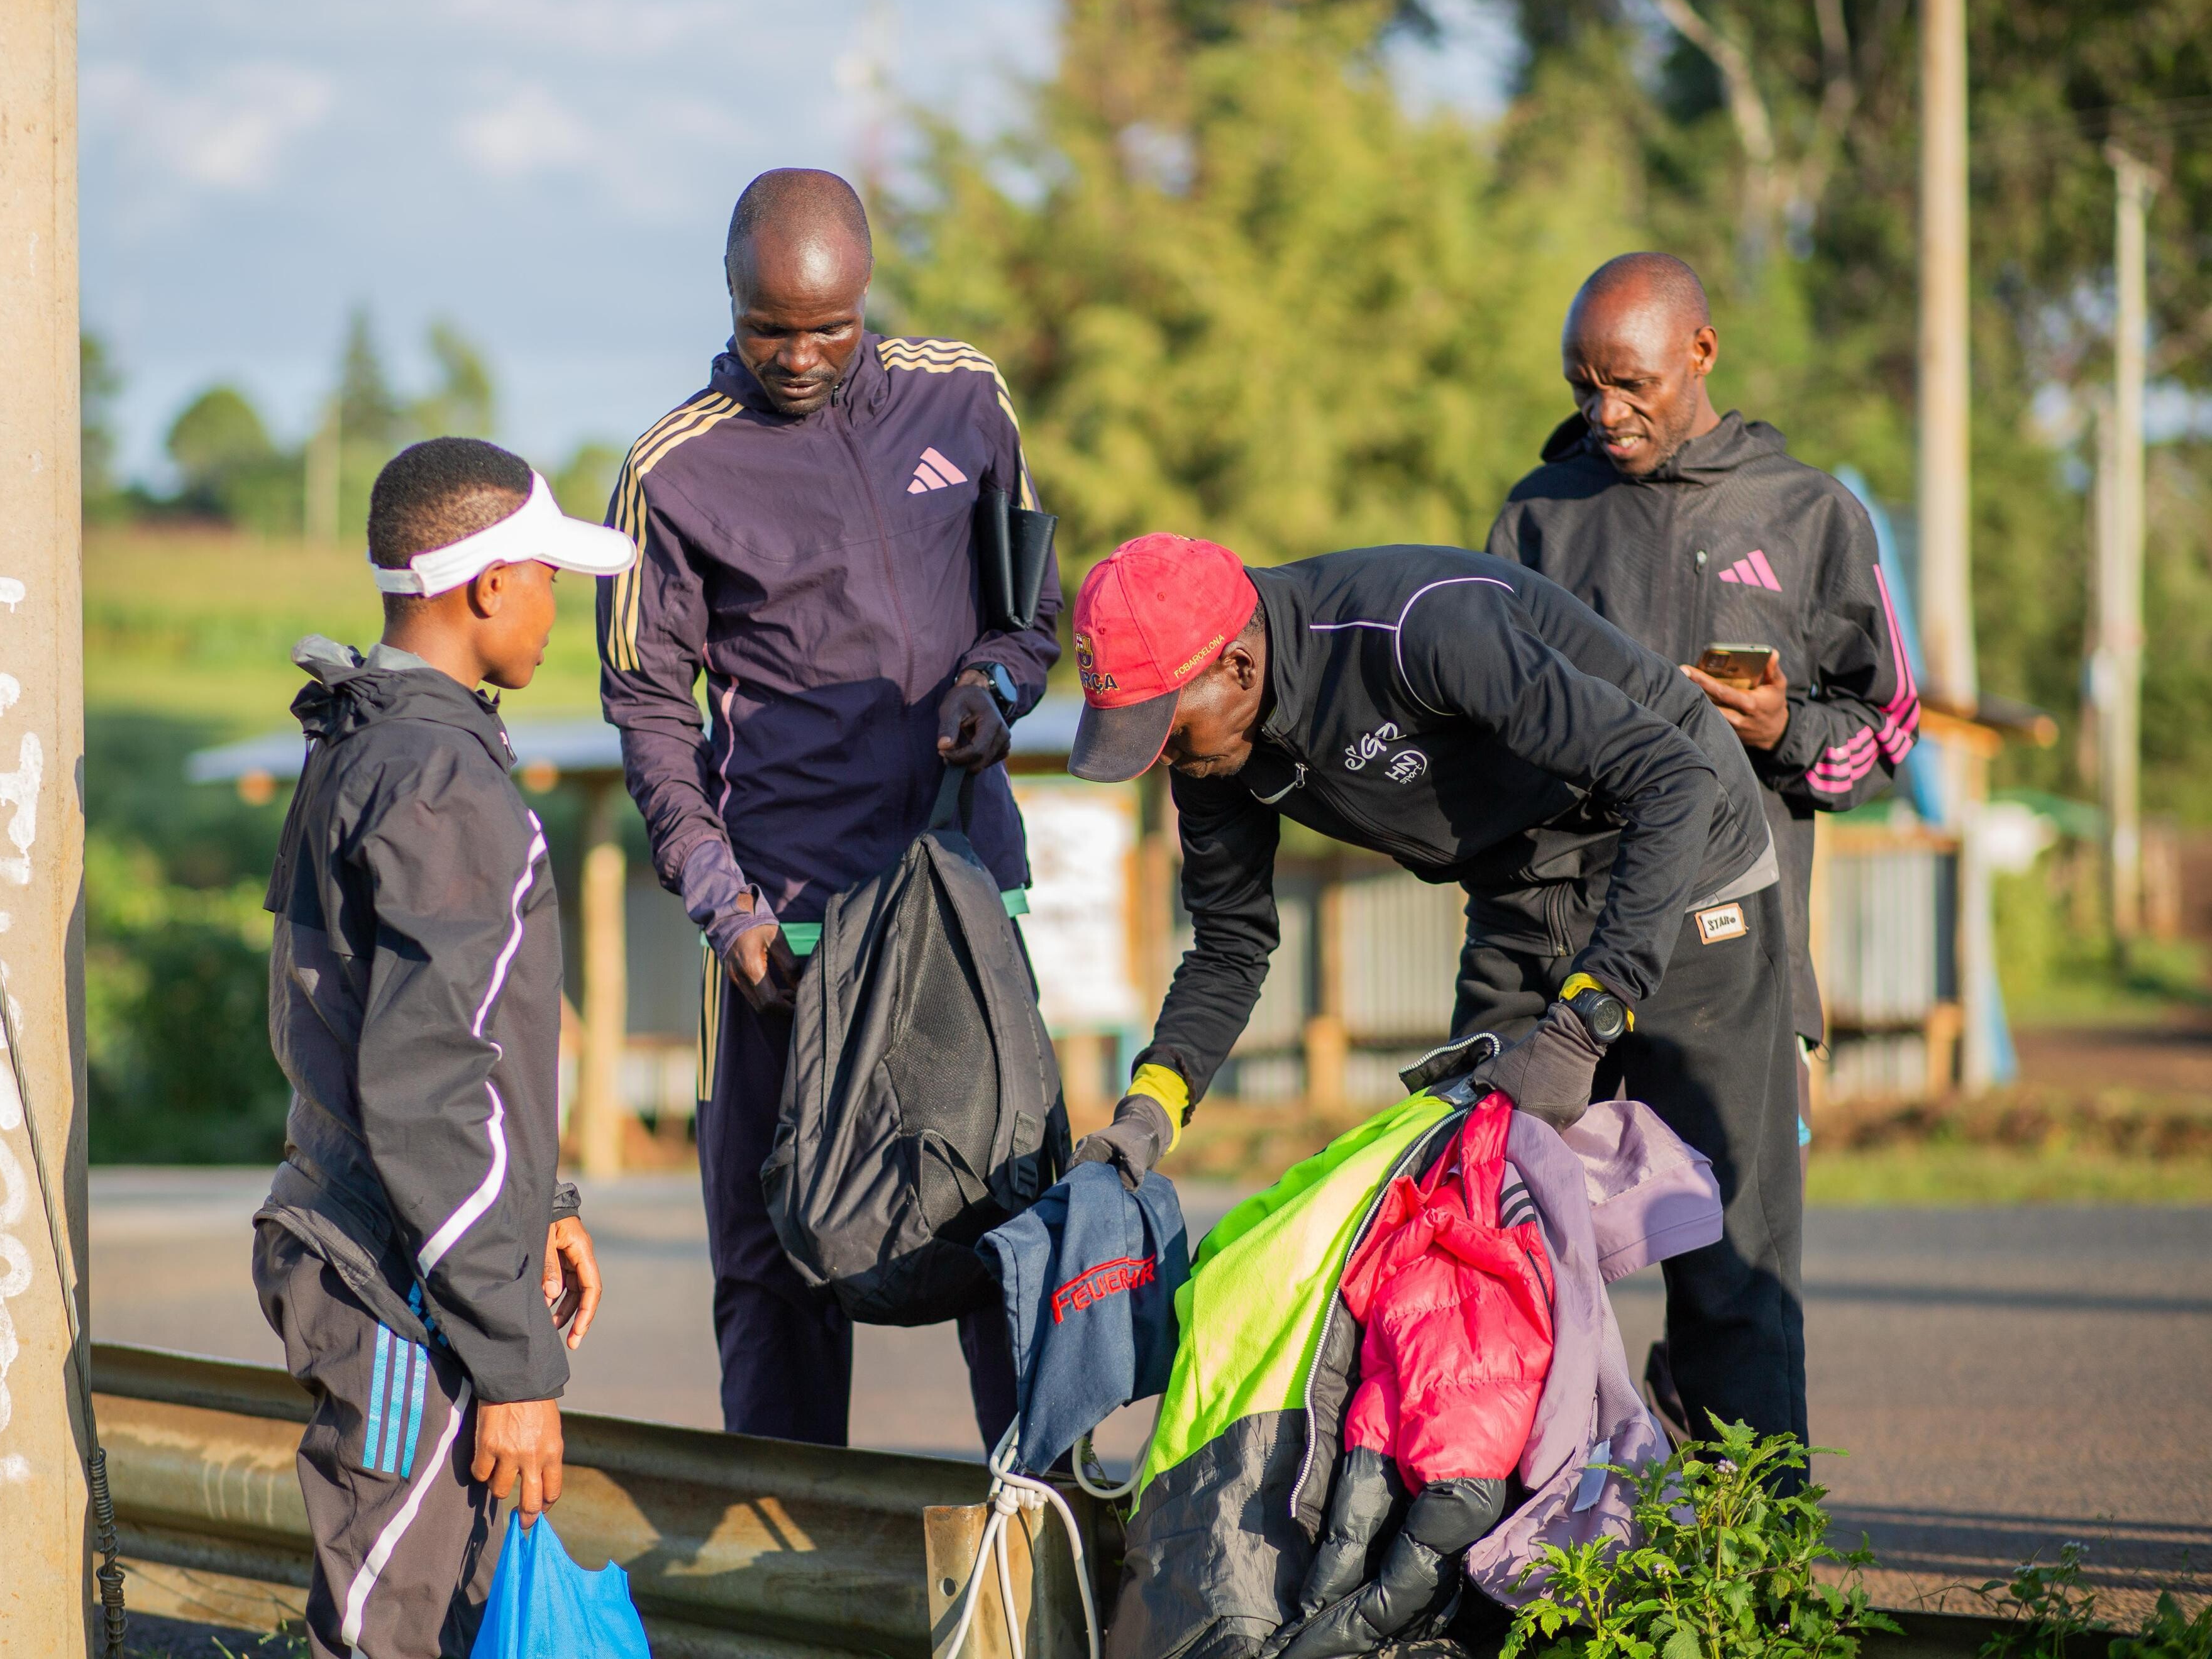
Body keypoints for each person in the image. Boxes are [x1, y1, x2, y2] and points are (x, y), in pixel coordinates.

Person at [1063, 532, 1810, 1455]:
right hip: (1518, 899)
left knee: (1721, 1254)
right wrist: (1150, 1108)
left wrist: (1588, 1019)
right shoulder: (1216, 756)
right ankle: (1525, 1539)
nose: (1160, 757)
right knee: (1464, 1249)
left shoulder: (1421, 627)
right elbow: (1231, 946)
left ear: (1238, 666)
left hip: (1684, 860)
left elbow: (1673, 778)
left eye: (1165, 729)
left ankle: (1763, 1545)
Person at [597, 168, 1061, 1448]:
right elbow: (649, 717)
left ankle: (1036, 1514)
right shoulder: (671, 471)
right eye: (769, 330)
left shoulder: (965, 398)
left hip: (961, 901)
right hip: (787, 924)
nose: (799, 357)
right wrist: (727, 908)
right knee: (771, 1255)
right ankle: (787, 1535)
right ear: (729, 298)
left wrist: (994, 686)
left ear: (866, 299)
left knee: (1014, 1219)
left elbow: (1031, 608)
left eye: (829, 329)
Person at [254, 437, 624, 1658]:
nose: (558, 610)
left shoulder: (363, 737)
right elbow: (426, 1089)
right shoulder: (440, 783)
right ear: (489, 585)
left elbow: (444, 1033)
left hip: (386, 1247)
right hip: (399, 1285)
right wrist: (515, 1362)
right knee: (395, 1635)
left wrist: (543, 1200)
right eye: (551, 580)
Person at [1486, 253, 1916, 1178]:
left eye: (1631, 385)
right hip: (1560, 969)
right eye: (1584, 387)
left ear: (1703, 351)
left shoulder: (1810, 516)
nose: (1605, 412)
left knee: (1734, 1255)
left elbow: (1888, 730)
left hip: (1741, 967)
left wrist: (1782, 732)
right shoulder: (1538, 517)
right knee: (1524, 1244)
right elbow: (1487, 728)